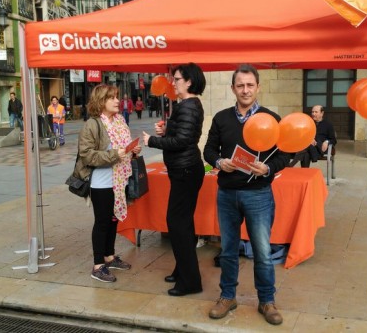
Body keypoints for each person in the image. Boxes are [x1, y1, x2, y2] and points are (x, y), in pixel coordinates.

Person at [203, 64, 289, 325]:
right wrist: (219, 162)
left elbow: (285, 153)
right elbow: (208, 150)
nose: (245, 90)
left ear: (258, 87)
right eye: (240, 85)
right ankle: (227, 297)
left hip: (258, 194)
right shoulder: (221, 118)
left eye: (250, 85)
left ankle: (267, 301)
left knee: (262, 251)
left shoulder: (271, 118)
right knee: (228, 250)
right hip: (227, 193)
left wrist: (268, 168)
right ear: (233, 88)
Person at [143, 63, 206, 297]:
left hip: (186, 171)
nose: (173, 82)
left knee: (178, 224)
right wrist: (166, 130)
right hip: (184, 170)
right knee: (183, 224)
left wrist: (152, 141)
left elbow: (182, 142)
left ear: (189, 81)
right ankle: (183, 271)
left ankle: (190, 281)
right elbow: (181, 134)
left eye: (177, 78)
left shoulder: (190, 105)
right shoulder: (187, 105)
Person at [76, 84, 141, 283]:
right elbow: (87, 155)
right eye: (111, 98)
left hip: (119, 181)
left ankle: (109, 256)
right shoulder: (93, 125)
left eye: (117, 97)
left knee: (113, 220)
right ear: (100, 101)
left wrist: (133, 151)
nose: (117, 101)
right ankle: (97, 265)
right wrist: (116, 154)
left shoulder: (120, 121)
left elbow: (125, 148)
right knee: (102, 222)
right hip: (101, 183)